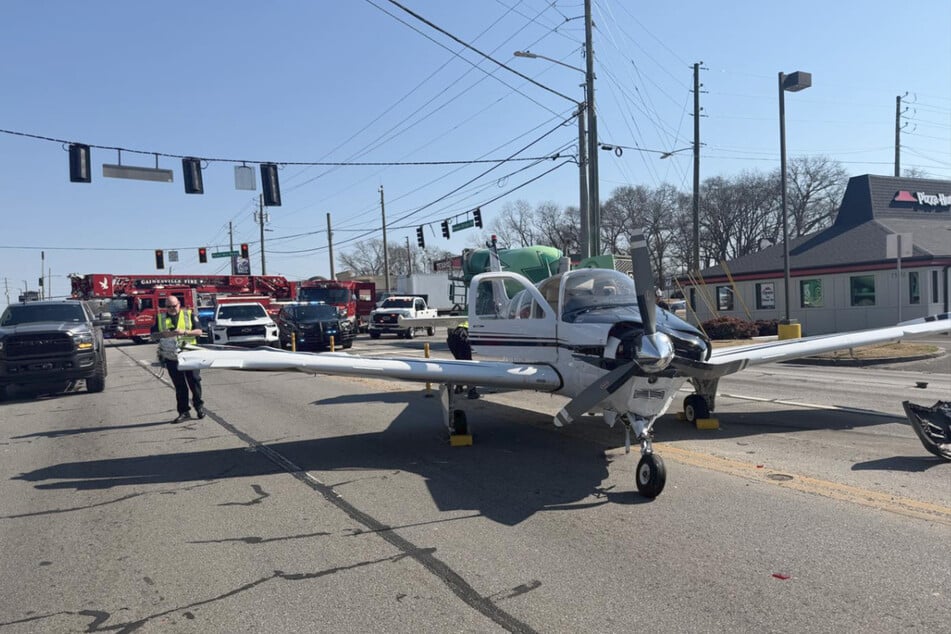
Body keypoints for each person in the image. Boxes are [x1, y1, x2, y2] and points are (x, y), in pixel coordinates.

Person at [151, 296, 205, 423]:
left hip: (189, 354)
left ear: (179, 304)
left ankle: (199, 407)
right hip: (171, 356)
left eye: (174, 306)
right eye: (168, 306)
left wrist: (184, 332)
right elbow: (153, 335)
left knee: (194, 381)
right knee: (180, 386)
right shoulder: (160, 318)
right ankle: (183, 411)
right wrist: (164, 334)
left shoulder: (189, 315)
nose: (171, 309)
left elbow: (199, 331)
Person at [446, 319, 478, 399]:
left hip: (452, 337)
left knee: (460, 362)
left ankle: (459, 386)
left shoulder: (460, 315)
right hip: (462, 335)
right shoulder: (472, 316)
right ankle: (471, 390)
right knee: (468, 365)